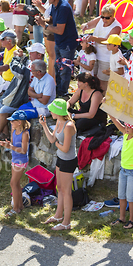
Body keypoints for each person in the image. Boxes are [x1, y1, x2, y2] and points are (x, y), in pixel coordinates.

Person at [39, 98, 77, 230]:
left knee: (66, 192)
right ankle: (58, 216)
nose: (50, 112)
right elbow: (51, 139)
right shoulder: (58, 122)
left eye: (52, 110)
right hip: (60, 158)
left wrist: (56, 144)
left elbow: (65, 148)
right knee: (59, 187)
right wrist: (44, 125)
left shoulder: (69, 126)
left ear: (58, 112)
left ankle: (66, 223)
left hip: (68, 160)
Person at [36, 0, 78, 97]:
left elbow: (59, 30)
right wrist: (43, 20)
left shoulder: (63, 7)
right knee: (57, 68)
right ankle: (59, 91)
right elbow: (52, 20)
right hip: (60, 42)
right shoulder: (55, 5)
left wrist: (44, 25)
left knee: (64, 70)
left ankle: (62, 94)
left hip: (67, 44)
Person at [108, 114, 133, 230]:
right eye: (126, 127)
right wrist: (108, 108)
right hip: (123, 170)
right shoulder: (125, 135)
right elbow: (114, 120)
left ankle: (132, 220)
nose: (126, 129)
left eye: (129, 127)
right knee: (121, 196)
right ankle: (122, 218)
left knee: (131, 198)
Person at [81, 4, 121, 90]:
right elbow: (89, 25)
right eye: (102, 17)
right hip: (95, 55)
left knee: (103, 82)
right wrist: (85, 26)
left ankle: (102, 100)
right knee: (93, 78)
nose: (104, 19)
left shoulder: (117, 27)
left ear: (113, 16)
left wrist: (93, 38)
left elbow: (108, 41)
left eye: (107, 18)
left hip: (106, 58)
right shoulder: (101, 19)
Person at [0, 110, 30, 216]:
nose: (11, 123)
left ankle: (16, 209)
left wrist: (10, 147)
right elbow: (12, 144)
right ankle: (20, 205)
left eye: (13, 121)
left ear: (19, 122)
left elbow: (24, 150)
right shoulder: (13, 131)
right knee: (16, 183)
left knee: (13, 183)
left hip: (21, 161)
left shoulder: (25, 133)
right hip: (15, 159)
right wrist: (8, 144)